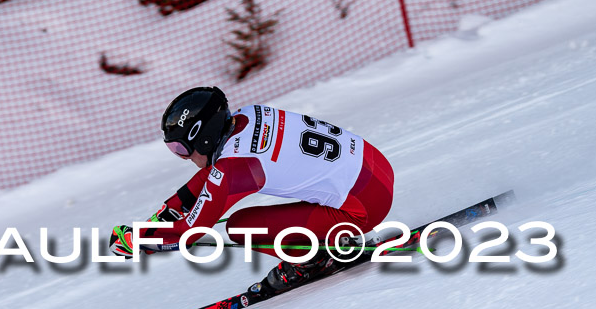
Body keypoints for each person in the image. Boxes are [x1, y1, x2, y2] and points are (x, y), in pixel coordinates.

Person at [110, 86, 394, 295]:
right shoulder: (248, 115)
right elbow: (213, 176)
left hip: (366, 207)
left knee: (240, 227)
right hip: (377, 166)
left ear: (205, 137)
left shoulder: (235, 166)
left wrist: (140, 240)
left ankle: (312, 261)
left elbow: (192, 232)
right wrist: (166, 212)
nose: (183, 157)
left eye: (181, 148)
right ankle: (326, 243)